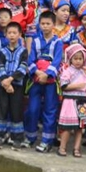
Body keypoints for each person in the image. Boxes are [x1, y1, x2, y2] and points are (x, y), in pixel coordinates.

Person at [24, 11, 63, 152]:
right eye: (42, 24)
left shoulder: (58, 42)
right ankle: (30, 137)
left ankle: (47, 140)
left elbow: (58, 60)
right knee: (33, 109)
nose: (45, 26)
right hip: (36, 79)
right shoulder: (35, 41)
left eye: (48, 24)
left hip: (51, 81)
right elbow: (30, 59)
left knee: (50, 109)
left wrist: (47, 74)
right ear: (39, 25)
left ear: (53, 25)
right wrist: (38, 72)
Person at [0, 22, 28, 149]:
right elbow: (0, 66)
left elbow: (23, 67)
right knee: (1, 109)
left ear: (19, 34)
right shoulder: (2, 51)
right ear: (5, 35)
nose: (12, 35)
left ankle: (17, 137)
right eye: (9, 33)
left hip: (17, 86)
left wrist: (11, 79)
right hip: (3, 85)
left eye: (14, 33)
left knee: (16, 110)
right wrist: (6, 83)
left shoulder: (23, 51)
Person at [58, 43, 86, 157]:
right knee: (67, 127)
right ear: (71, 59)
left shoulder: (85, 71)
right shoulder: (67, 71)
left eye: (80, 59)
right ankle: (62, 147)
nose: (78, 61)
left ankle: (76, 149)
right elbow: (64, 86)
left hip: (82, 101)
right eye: (75, 59)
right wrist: (78, 86)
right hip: (70, 101)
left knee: (80, 127)